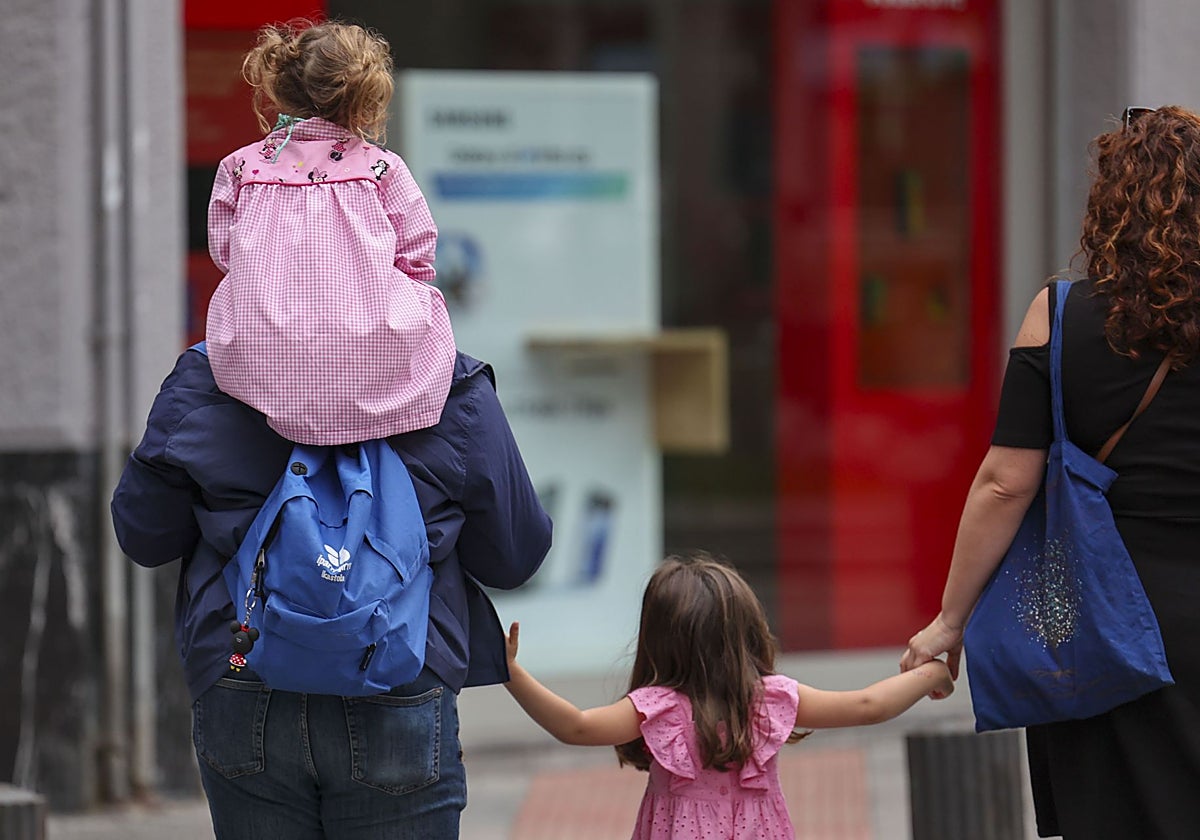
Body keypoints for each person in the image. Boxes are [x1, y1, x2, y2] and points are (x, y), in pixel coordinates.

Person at [901, 105, 1200, 838]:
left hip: (1104, 614)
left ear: (1110, 202)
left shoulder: (1060, 314)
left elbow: (1006, 481)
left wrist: (950, 620)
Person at [111, 344, 552, 839]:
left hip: (242, 662)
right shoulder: (444, 377)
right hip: (401, 668)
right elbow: (514, 556)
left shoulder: (208, 372)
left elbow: (143, 534)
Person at [504, 554, 954, 840]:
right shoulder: (768, 700)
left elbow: (574, 726)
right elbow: (868, 705)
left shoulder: (658, 709)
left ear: (658, 639)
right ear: (745, 633)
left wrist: (510, 673)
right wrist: (932, 672)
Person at [205, 19, 455, 446]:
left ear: (281, 84)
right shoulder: (382, 169)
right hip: (371, 359)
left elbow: (226, 254)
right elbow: (417, 258)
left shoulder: (240, 168)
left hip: (265, 358)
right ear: (366, 98)